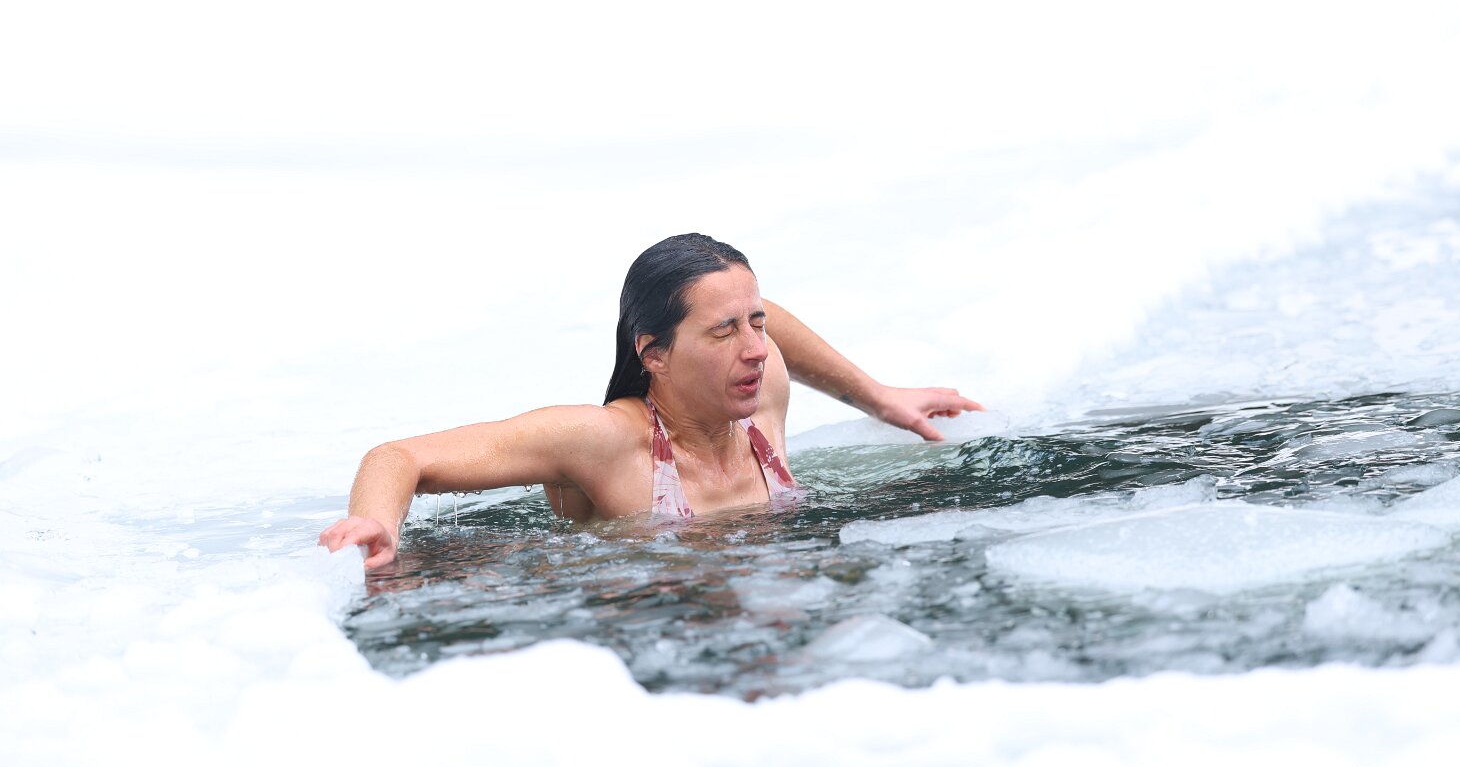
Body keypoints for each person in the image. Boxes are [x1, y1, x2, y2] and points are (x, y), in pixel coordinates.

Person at [319, 233, 983, 569]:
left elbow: (756, 311)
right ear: (654, 353)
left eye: (755, 326)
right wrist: (379, 524)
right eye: (724, 332)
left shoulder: (761, 400)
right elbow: (398, 456)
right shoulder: (604, 443)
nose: (756, 348)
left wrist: (880, 398)